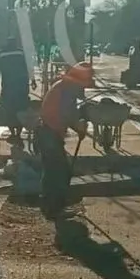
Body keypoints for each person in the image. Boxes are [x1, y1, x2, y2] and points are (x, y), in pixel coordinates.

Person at [36, 62, 93, 218]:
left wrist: (79, 127)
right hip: (49, 134)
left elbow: (68, 115)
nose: (83, 89)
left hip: (48, 133)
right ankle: (54, 208)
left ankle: (51, 206)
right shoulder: (66, 92)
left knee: (53, 171)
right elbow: (68, 115)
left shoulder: (64, 88)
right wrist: (79, 127)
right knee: (57, 172)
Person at [0, 38, 32, 142]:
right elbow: (28, 68)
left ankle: (13, 133)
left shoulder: (1, 54)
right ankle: (18, 133)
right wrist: (32, 81)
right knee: (21, 110)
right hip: (21, 87)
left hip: (8, 87)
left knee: (9, 110)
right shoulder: (21, 53)